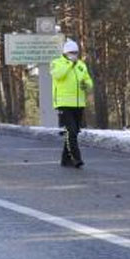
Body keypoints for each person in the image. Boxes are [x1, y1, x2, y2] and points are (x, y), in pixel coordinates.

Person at [50, 39, 93, 168]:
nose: (74, 55)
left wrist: (87, 85)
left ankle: (65, 159)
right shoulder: (56, 63)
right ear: (65, 53)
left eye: (76, 52)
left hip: (79, 103)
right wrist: (69, 64)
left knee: (74, 132)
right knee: (71, 131)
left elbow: (88, 80)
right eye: (71, 53)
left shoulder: (81, 65)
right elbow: (58, 75)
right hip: (63, 103)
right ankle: (76, 158)